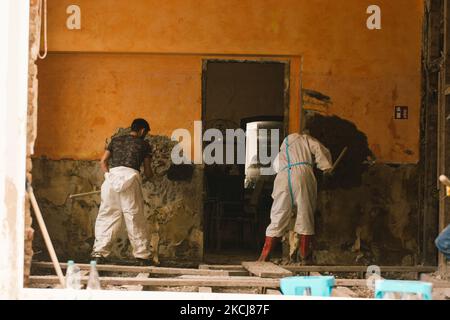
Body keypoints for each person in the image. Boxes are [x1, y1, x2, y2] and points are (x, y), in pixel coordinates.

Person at [258, 132, 333, 263]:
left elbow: (276, 167)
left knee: (278, 215)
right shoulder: (305, 138)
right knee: (305, 214)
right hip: (302, 175)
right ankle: (304, 256)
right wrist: (326, 167)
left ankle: (264, 256)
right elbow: (319, 148)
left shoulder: (283, 148)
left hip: (282, 177)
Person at [91, 118, 154, 266]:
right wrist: (148, 178)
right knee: (134, 218)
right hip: (131, 180)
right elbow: (148, 170)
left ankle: (98, 254)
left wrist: (108, 176)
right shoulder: (144, 144)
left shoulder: (115, 140)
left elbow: (103, 162)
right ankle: (142, 257)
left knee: (107, 215)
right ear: (143, 131)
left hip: (111, 179)